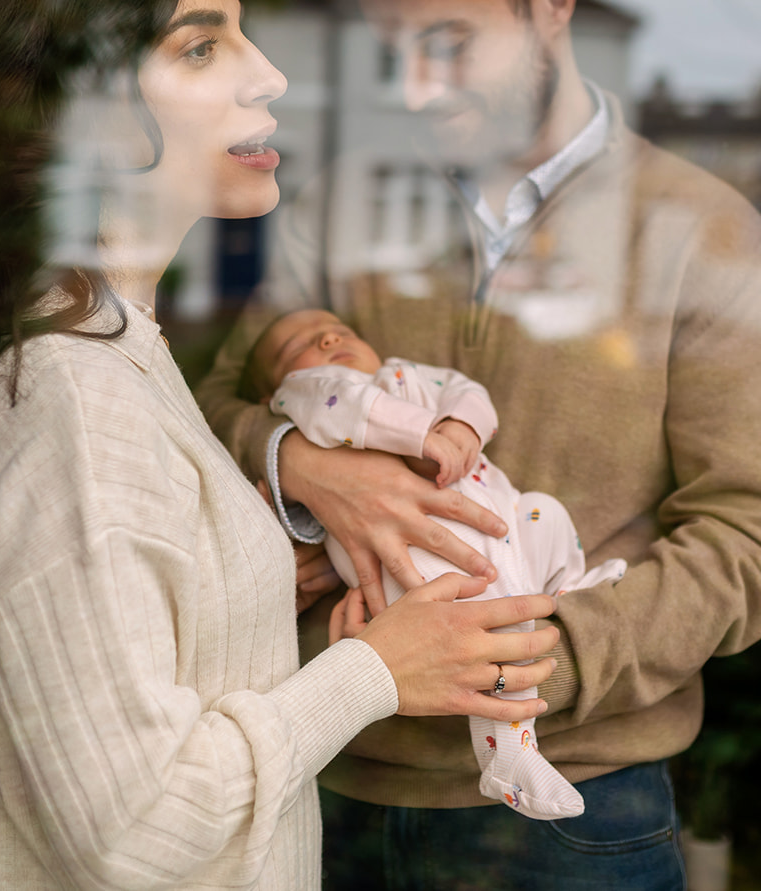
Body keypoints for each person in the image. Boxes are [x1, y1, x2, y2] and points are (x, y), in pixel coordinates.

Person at [0, 0, 560, 891]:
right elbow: (138, 832)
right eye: (202, 45)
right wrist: (376, 669)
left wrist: (254, 572)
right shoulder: (69, 405)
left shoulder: (114, 350)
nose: (269, 75)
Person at [195, 0, 761, 889]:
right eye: (391, 51)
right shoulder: (337, 205)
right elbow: (209, 414)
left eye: (448, 43)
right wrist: (298, 465)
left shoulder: (704, 231)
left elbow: (754, 541)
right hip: (326, 775)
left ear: (551, 5)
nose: (413, 88)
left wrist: (524, 663)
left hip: (577, 809)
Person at [244, 307, 628, 820]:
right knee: (485, 624)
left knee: (547, 514)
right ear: (278, 388)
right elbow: (349, 405)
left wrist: (462, 426)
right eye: (301, 345)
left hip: (503, 522)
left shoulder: (405, 374)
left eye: (341, 329)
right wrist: (422, 434)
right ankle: (509, 755)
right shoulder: (307, 401)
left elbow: (467, 392)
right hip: (417, 565)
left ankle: (568, 588)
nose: (329, 336)